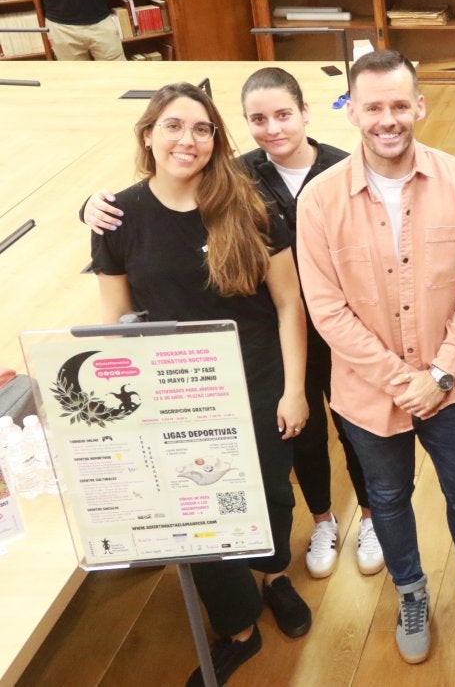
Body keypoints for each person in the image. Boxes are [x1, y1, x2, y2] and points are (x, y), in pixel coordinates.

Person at [83, 67, 383, 580]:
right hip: (252, 350)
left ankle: (366, 520)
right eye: (258, 119)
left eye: (283, 114)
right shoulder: (241, 178)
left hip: (337, 329)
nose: (273, 128)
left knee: (353, 430)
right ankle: (319, 523)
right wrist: (89, 208)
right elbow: (124, 291)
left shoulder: (338, 170)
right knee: (295, 446)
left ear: (306, 113)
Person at [298, 51, 455, 664]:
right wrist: (405, 381)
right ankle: (412, 592)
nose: (388, 119)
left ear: (419, 106)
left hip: (453, 385)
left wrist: (439, 374)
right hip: (369, 394)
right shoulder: (318, 201)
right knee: (389, 499)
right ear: (352, 112)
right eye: (373, 107)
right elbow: (327, 310)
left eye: (400, 105)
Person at [90, 83, 311, 686]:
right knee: (201, 511)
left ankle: (274, 577)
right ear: (148, 135)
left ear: (216, 139)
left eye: (202, 128)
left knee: (270, 490)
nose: (187, 139)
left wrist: (294, 390)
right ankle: (238, 627)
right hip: (175, 394)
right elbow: (115, 321)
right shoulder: (116, 217)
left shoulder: (252, 205)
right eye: (173, 126)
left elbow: (289, 305)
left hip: (258, 379)